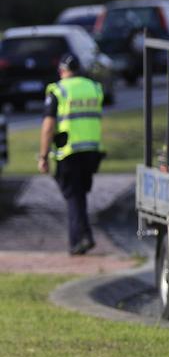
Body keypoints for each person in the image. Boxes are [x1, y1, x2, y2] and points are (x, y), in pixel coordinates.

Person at [38, 53, 104, 255]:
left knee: (73, 196)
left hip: (69, 151)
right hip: (92, 150)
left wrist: (43, 156)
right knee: (79, 195)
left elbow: (48, 127)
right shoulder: (93, 87)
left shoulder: (58, 90)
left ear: (62, 70)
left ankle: (81, 238)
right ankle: (78, 240)